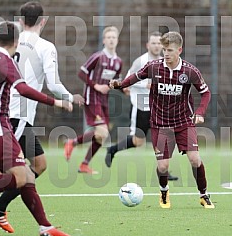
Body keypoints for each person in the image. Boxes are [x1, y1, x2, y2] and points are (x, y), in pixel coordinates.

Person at [0, 1, 84, 235]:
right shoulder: (45, 46)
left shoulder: (6, 44)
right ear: (43, 21)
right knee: (14, 173)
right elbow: (53, 84)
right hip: (13, 116)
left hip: (13, 116)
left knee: (37, 165)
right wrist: (67, 98)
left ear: (20, 20)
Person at [109, 31, 215, 209]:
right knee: (164, 166)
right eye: (164, 49)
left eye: (170, 50)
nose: (165, 53)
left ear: (179, 50)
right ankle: (164, 191)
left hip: (184, 123)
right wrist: (120, 84)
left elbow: (205, 92)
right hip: (160, 123)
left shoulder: (189, 71)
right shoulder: (154, 67)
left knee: (195, 159)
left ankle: (204, 195)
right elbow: (135, 77)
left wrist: (200, 112)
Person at [105, 31, 179, 181]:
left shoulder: (166, 61)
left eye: (159, 43)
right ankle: (112, 149)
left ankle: (163, 170)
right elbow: (127, 81)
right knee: (138, 141)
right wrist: (146, 84)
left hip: (158, 108)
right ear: (148, 45)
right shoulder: (141, 61)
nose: (157, 46)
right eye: (154, 43)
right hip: (141, 107)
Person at [64, 26, 122, 174]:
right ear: (104, 40)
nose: (111, 40)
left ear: (117, 40)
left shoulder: (118, 62)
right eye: (108, 37)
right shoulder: (97, 57)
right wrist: (96, 85)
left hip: (104, 100)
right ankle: (73, 143)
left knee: (101, 136)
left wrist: (124, 88)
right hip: (92, 97)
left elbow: (115, 81)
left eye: (113, 37)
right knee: (102, 132)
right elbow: (81, 74)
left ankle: (84, 164)